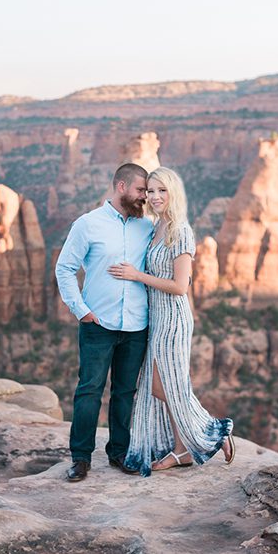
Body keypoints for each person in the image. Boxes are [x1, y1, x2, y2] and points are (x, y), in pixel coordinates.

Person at [109, 167, 235, 475]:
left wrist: (137, 276)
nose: (154, 197)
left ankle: (212, 431)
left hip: (174, 320)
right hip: (156, 318)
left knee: (162, 384)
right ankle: (182, 450)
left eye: (161, 190)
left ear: (173, 193)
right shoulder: (156, 228)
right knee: (158, 385)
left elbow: (180, 286)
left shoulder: (181, 231)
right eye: (150, 191)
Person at [54, 163, 154, 482]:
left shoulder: (147, 227)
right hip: (98, 323)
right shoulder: (88, 224)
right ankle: (81, 458)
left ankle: (119, 453)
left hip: (137, 325)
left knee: (125, 392)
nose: (145, 197)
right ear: (121, 187)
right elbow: (65, 268)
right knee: (90, 391)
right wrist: (80, 309)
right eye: (141, 190)